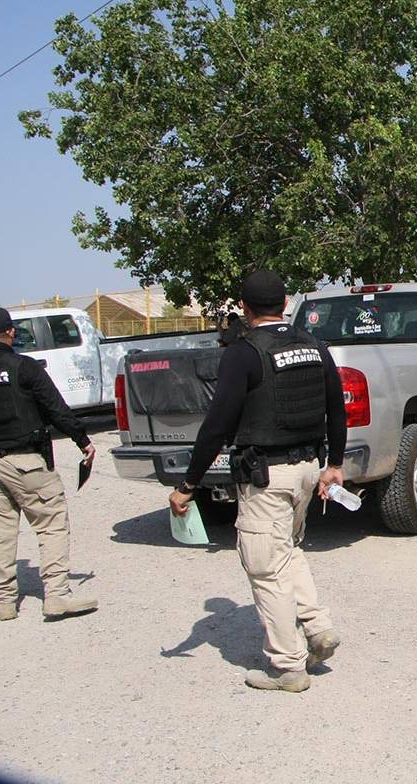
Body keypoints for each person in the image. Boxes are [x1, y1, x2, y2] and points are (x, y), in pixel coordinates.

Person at [169, 271, 347, 693]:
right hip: (308, 469)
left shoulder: (244, 352)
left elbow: (216, 426)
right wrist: (334, 464)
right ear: (285, 302)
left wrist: (188, 485)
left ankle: (287, 667)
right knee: (287, 551)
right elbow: (336, 407)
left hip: (267, 476)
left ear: (245, 310)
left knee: (265, 568)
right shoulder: (312, 345)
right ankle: (318, 628)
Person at [0, 306, 98, 621]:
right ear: (10, 332)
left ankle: (5, 602)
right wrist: (83, 441)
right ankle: (57, 596)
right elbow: (55, 409)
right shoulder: (24, 367)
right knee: (50, 525)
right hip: (27, 462)